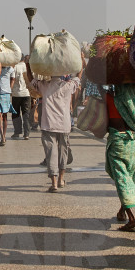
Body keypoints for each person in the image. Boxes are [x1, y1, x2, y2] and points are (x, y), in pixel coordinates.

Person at [29, 63, 81, 193]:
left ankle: (54, 183)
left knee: (51, 152)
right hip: (64, 125)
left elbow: (31, 80)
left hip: (48, 124)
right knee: (63, 151)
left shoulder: (44, 86)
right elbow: (78, 77)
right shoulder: (68, 85)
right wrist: (79, 61)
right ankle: (61, 179)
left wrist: (27, 65)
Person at [104, 83, 135, 231]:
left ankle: (132, 217)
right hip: (134, 144)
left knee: (122, 179)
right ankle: (122, 211)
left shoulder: (109, 99)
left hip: (119, 142)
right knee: (130, 177)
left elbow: (105, 123)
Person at [9, 55, 32, 140]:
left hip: (16, 94)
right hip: (27, 93)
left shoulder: (14, 67)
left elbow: (12, 79)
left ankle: (17, 132)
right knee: (26, 113)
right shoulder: (28, 67)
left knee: (16, 113)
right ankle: (26, 134)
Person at [0, 61, 13, 146]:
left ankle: (3, 136)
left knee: (3, 116)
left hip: (5, 94)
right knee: (1, 116)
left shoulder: (10, 69)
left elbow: (13, 79)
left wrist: (9, 89)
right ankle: (2, 136)